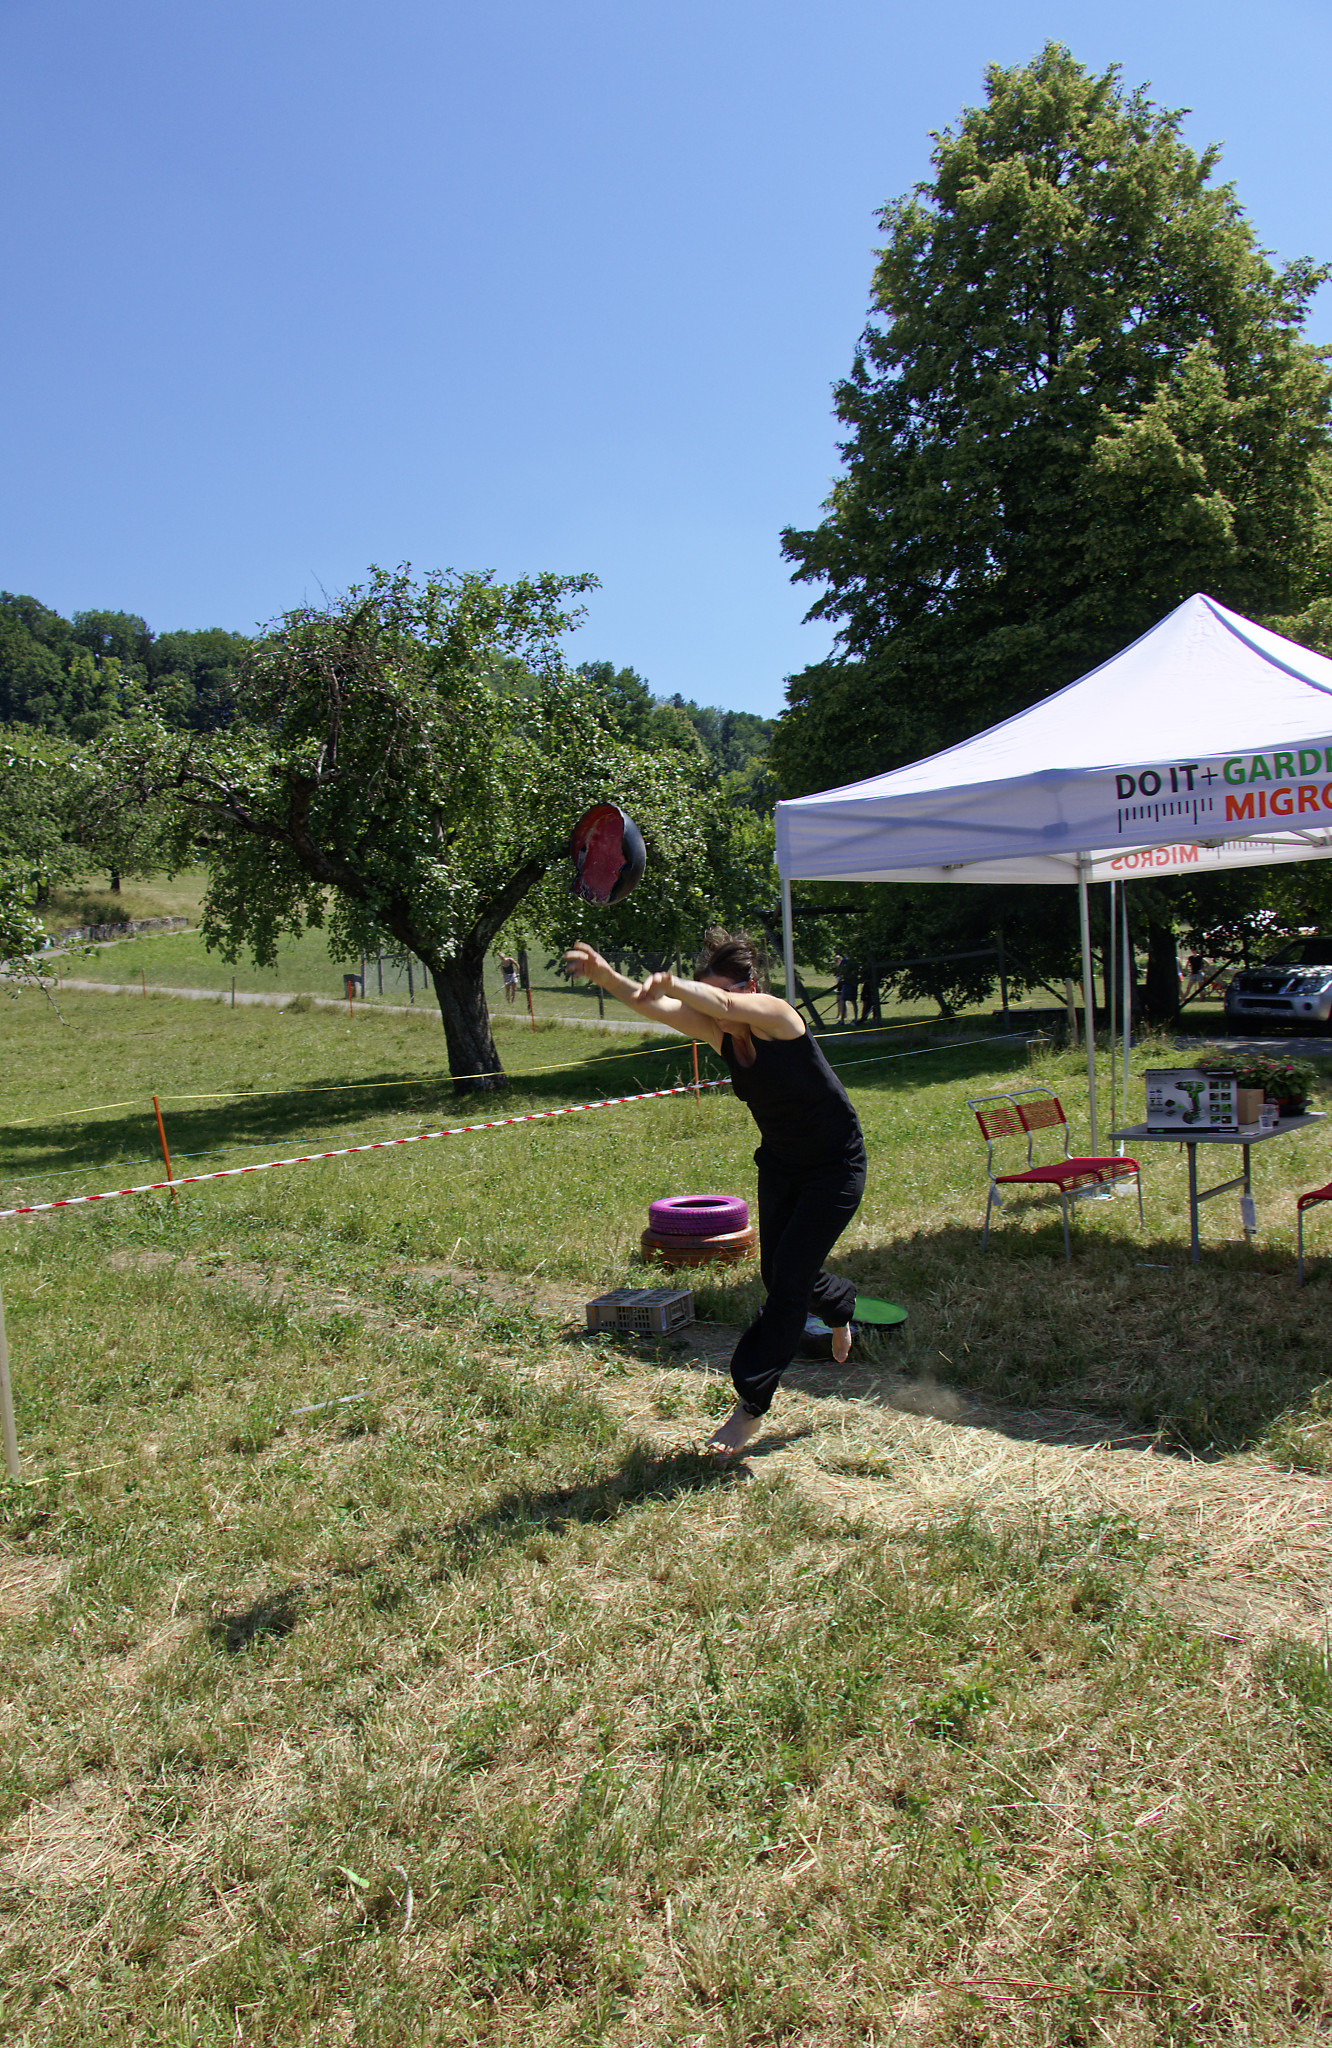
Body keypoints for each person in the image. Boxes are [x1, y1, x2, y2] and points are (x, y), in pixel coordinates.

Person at [565, 929, 866, 1455]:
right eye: (704, 993)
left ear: (751, 989)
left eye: (719, 994)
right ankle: (840, 1306)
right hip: (781, 1165)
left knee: (787, 1284)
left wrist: (675, 982)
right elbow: (654, 1006)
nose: (713, 1008)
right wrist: (607, 975)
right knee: (778, 1271)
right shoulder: (721, 1033)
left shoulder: (778, 1017)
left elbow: (720, 1003)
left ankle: (750, 1407)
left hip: (834, 1168)